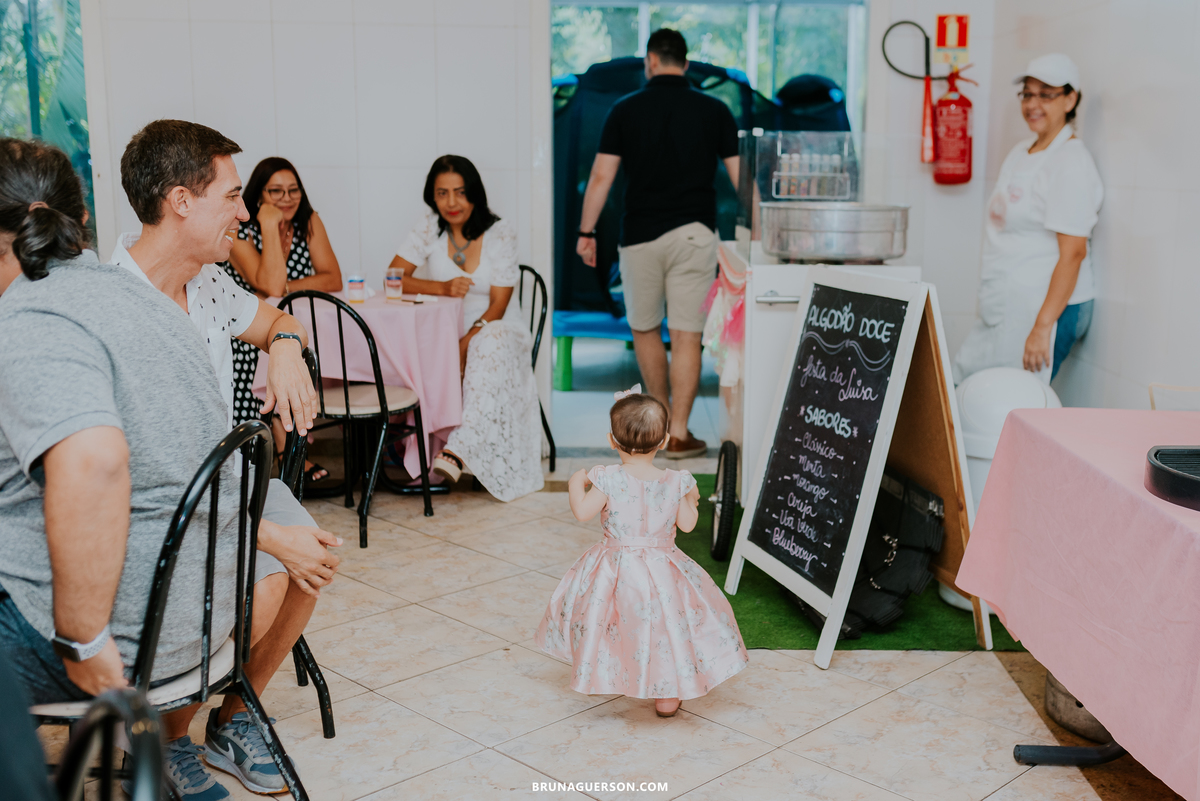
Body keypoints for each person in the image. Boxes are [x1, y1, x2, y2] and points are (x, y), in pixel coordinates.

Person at [0, 137, 313, 801]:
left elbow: (95, 460)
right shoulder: (146, 301)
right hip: (201, 617)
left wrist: (85, 643)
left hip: (137, 640)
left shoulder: (31, 310)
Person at [108, 120, 343, 797]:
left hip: (227, 481)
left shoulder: (206, 281)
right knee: (268, 578)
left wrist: (288, 347)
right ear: (182, 201)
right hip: (161, 506)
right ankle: (170, 736)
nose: (245, 213)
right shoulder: (116, 306)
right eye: (233, 196)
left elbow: (272, 317)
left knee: (316, 556)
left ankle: (234, 719)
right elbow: (141, 479)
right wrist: (263, 535)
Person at [534, 385, 749, 717]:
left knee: (617, 625)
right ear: (663, 441)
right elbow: (689, 525)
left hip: (616, 570)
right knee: (664, 628)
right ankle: (667, 696)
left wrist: (575, 484)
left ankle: (614, 673)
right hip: (663, 569)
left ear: (611, 440)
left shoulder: (605, 479)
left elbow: (583, 512)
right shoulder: (677, 481)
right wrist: (690, 499)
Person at [576, 27, 740, 459]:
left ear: (650, 61)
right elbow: (743, 178)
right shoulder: (715, 109)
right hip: (695, 233)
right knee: (687, 336)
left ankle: (659, 428)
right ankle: (682, 434)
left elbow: (600, 177)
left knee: (645, 328)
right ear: (684, 64)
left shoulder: (624, 109)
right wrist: (759, 234)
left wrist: (586, 232)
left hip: (641, 237)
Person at [386, 154, 543, 502]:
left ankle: (458, 449)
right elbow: (392, 279)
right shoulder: (430, 226)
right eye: (442, 193)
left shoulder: (500, 232)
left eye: (459, 192)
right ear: (432, 196)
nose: (451, 203)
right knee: (415, 352)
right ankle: (422, 458)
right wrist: (441, 288)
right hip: (444, 331)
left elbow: (499, 305)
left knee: (489, 342)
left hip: (499, 329)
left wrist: (466, 341)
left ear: (475, 194)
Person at [953, 53, 1103, 384]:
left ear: (1070, 99)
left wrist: (1041, 327)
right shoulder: (1022, 152)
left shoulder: (1071, 163)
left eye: (1046, 94)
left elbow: (1074, 252)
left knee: (1008, 402)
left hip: (1041, 309)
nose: (1033, 104)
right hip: (1007, 303)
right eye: (1028, 94)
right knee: (964, 384)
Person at [221, 157, 343, 483]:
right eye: (276, 191)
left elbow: (332, 278)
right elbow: (269, 285)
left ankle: (290, 449)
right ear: (258, 196)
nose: (287, 199)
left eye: (293, 190)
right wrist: (268, 226)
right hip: (250, 333)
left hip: (296, 328)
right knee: (258, 358)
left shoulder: (309, 221)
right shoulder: (238, 231)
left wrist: (287, 288)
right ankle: (280, 451)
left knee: (310, 353)